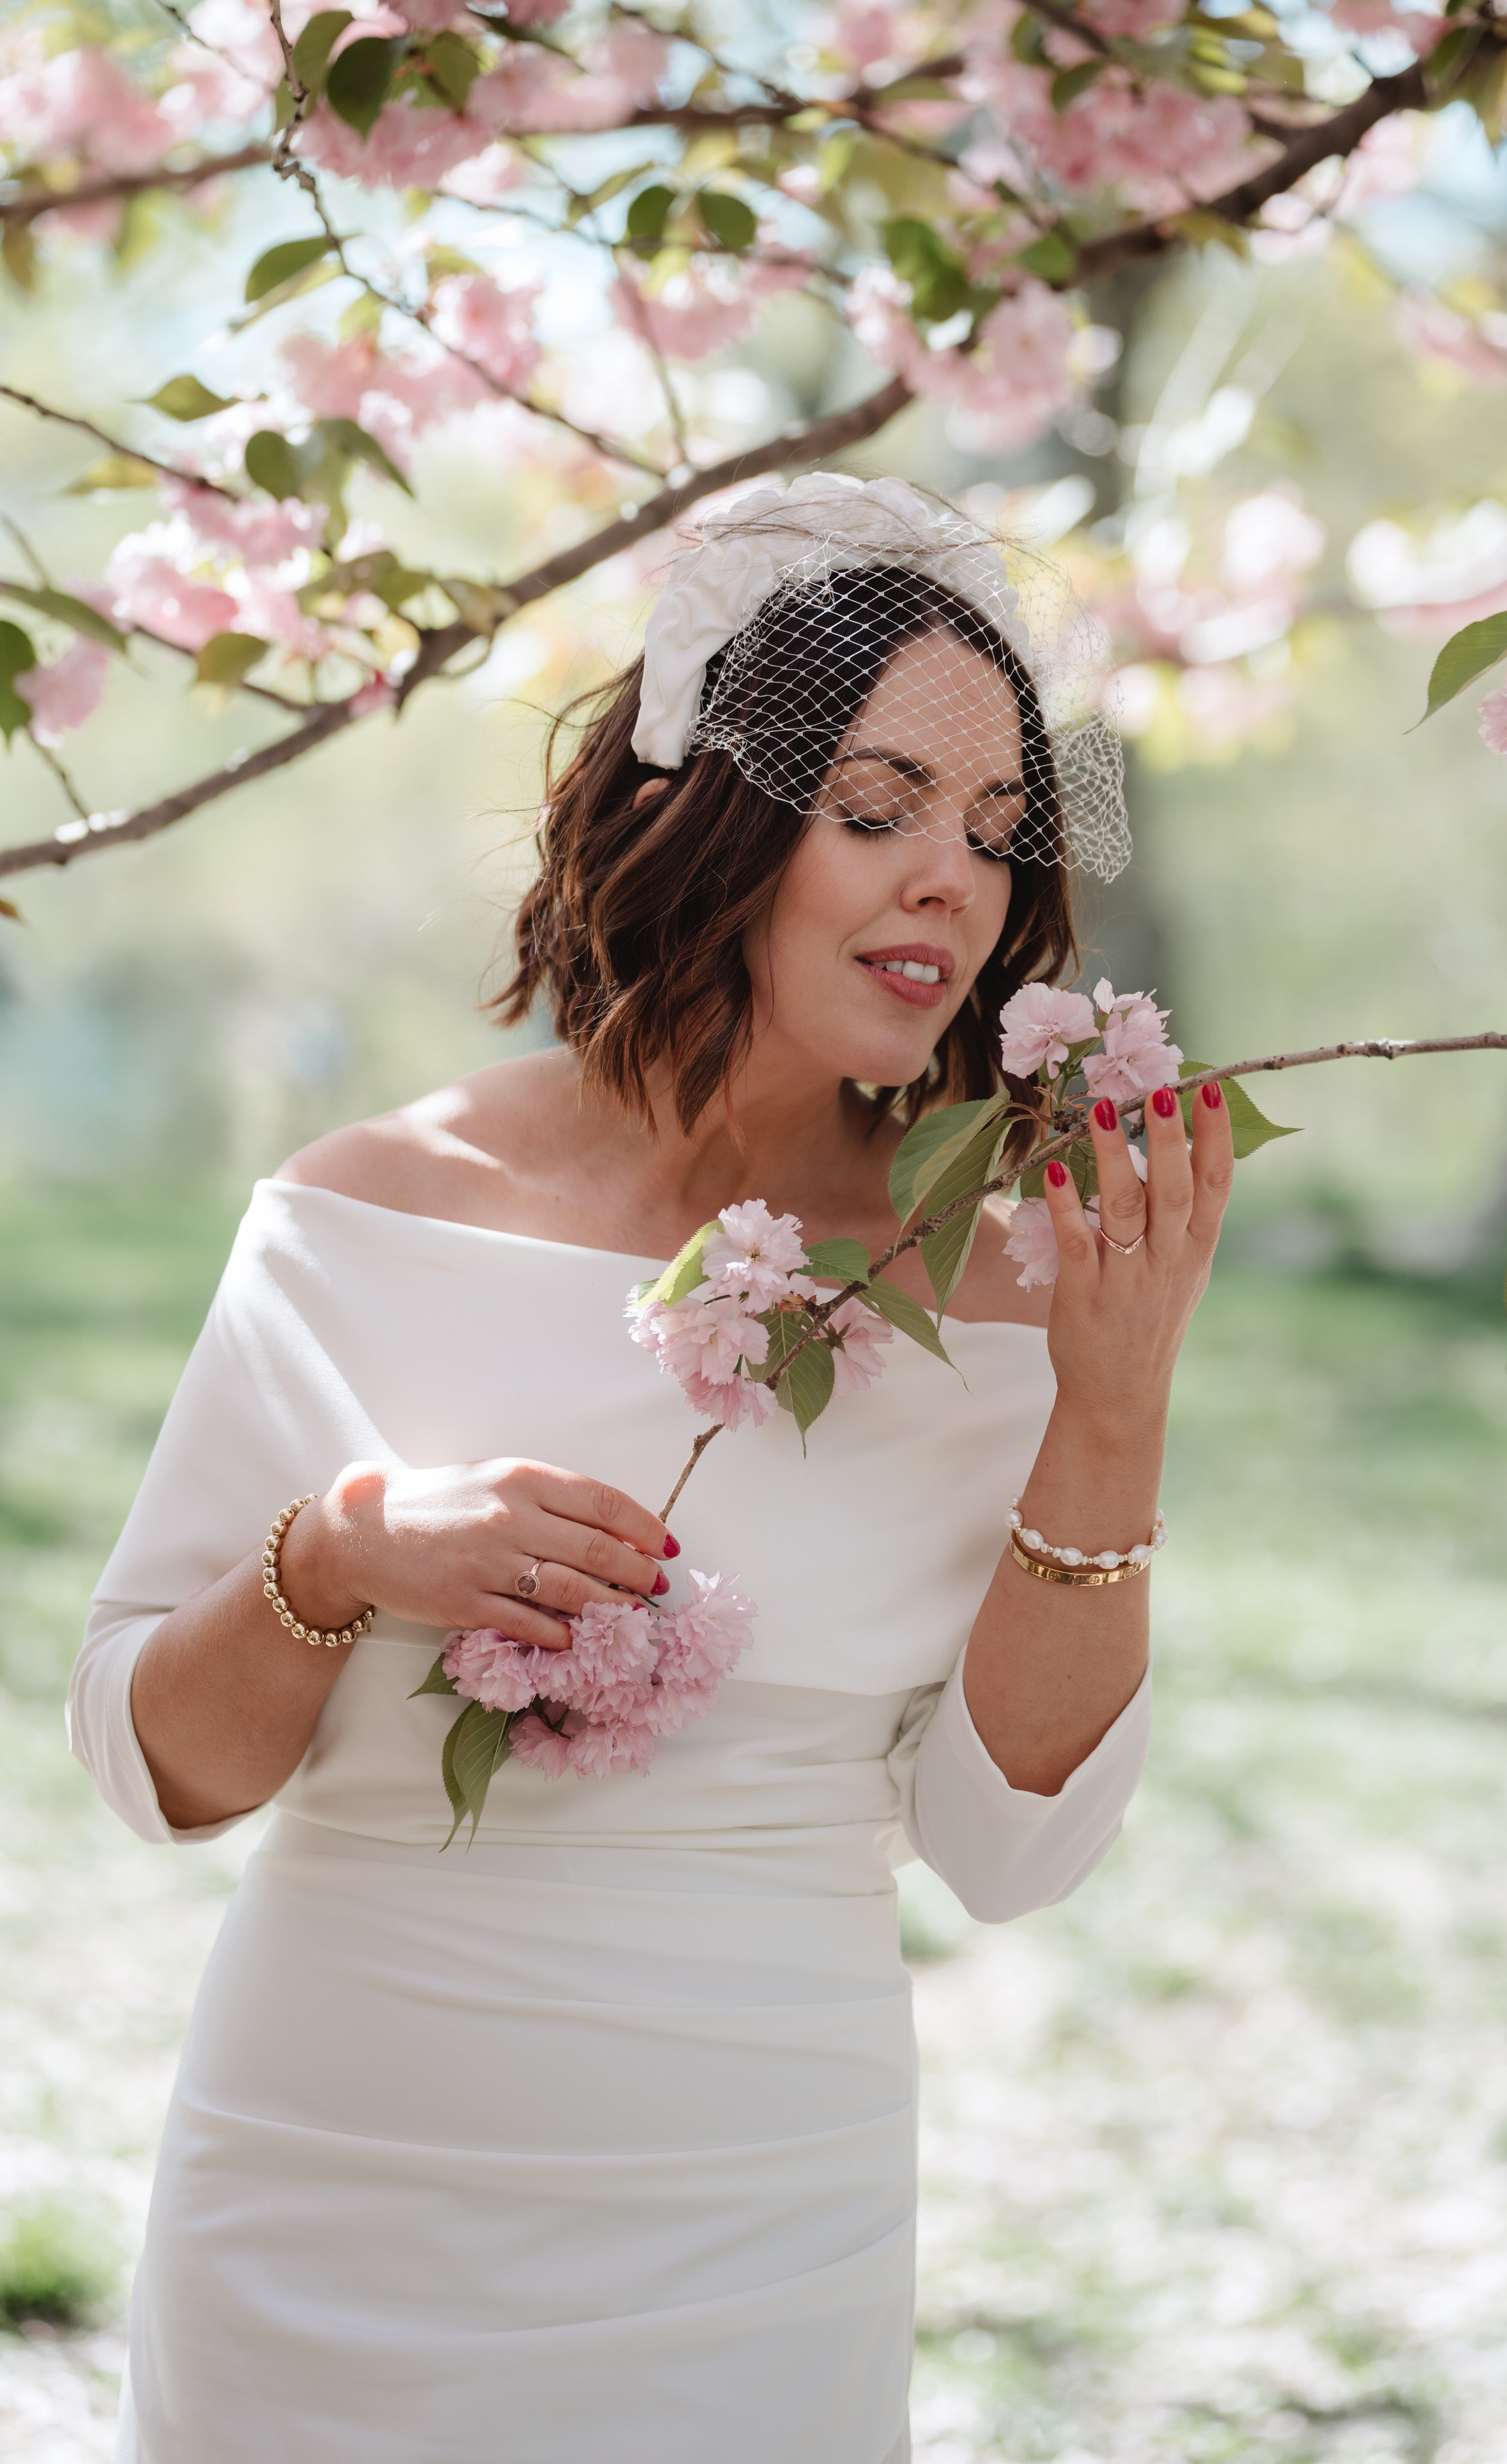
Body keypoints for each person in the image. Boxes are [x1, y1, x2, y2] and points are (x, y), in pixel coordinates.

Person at [70, 475, 1234, 2463]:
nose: (948, 880)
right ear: (707, 818)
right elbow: (151, 1771)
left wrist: (1111, 1421)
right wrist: (342, 1553)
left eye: (992, 833)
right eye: (873, 814)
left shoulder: (1018, 1284)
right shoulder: (369, 1210)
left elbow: (1012, 1853)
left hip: (754, 2225)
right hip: (327, 2200)